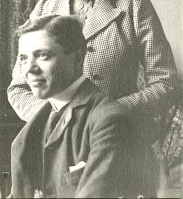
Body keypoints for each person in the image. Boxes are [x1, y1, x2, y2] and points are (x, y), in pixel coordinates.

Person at [8, 0, 178, 196]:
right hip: (57, 156)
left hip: (122, 147)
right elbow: (18, 88)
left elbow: (166, 84)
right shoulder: (45, 9)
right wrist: (62, 120)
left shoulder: (133, 5)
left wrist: (105, 115)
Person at [10, 15, 144, 198]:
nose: (30, 69)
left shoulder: (109, 121)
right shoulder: (37, 122)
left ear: (77, 58)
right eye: (24, 59)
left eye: (42, 56)